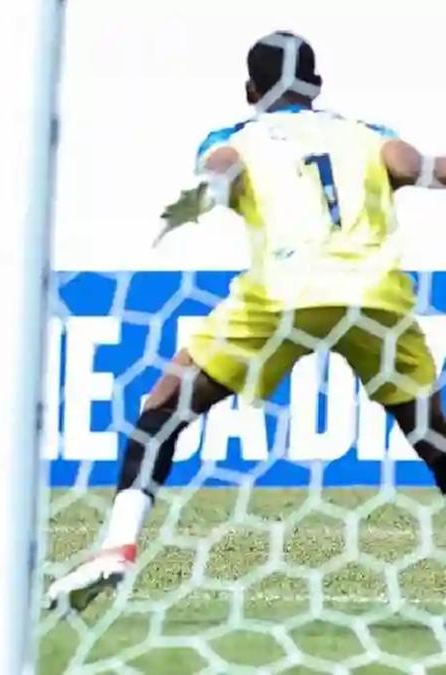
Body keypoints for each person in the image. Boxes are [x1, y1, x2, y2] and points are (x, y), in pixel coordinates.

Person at [48, 31, 446, 611]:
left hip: (282, 295)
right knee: (434, 437)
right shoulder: (368, 136)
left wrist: (199, 197)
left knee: (162, 408)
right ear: (317, 86)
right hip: (373, 297)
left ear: (250, 90)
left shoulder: (238, 137)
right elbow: (423, 168)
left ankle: (117, 548)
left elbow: (220, 171)